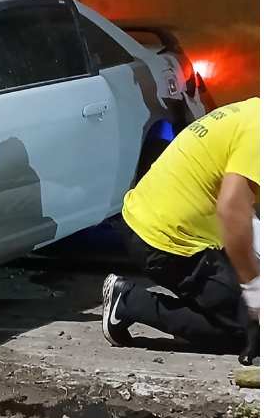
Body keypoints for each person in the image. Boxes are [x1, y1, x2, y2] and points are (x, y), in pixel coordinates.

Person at [102, 97, 260, 353]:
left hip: (161, 222)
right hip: (165, 241)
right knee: (248, 331)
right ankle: (129, 302)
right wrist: (254, 288)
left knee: (241, 307)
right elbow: (232, 210)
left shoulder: (252, 112)